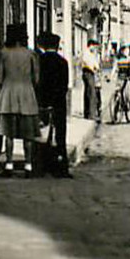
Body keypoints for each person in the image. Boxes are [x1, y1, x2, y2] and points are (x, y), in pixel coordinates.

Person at [0, 23, 43, 175]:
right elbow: (36, 78)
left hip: (8, 95)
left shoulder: (3, 53)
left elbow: (0, 77)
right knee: (28, 134)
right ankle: (28, 165)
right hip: (27, 95)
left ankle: (9, 164)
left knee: (9, 134)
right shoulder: (31, 54)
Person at [36, 32, 73, 177]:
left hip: (43, 103)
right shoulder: (63, 62)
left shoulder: (39, 60)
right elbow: (64, 85)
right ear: (57, 46)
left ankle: (43, 165)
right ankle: (61, 167)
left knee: (43, 135)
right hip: (59, 103)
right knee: (60, 136)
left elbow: (38, 82)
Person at [80, 39, 103, 121]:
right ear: (90, 45)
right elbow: (86, 63)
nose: (95, 48)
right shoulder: (86, 53)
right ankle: (90, 114)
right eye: (94, 46)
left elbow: (95, 64)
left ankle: (89, 113)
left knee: (89, 93)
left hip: (91, 73)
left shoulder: (91, 54)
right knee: (91, 93)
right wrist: (94, 69)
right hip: (88, 73)